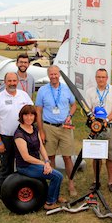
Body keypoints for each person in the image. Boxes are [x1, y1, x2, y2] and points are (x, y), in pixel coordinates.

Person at [35, 65, 78, 197]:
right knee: (50, 156)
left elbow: (74, 104)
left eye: (55, 74)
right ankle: (53, 184)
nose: (53, 76)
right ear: (48, 75)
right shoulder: (42, 90)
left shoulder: (66, 89)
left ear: (59, 74)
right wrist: (41, 130)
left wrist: (70, 116)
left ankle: (71, 183)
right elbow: (38, 110)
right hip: (49, 127)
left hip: (65, 128)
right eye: (51, 74)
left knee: (67, 157)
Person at [0, 72, 34, 196]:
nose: (12, 83)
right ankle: (4, 194)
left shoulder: (24, 96)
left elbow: (31, 114)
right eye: (9, 81)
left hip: (23, 137)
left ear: (18, 82)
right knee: (6, 167)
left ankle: (24, 191)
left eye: (14, 81)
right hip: (6, 138)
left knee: (25, 165)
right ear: (5, 82)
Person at [14, 105, 66, 210]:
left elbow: (41, 147)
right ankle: (49, 203)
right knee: (57, 176)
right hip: (25, 166)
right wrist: (43, 164)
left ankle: (55, 196)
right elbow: (26, 157)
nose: (29, 118)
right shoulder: (19, 134)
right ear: (22, 116)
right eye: (26, 115)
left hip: (36, 163)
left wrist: (47, 161)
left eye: (32, 115)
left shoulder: (34, 128)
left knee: (56, 174)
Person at [85, 69, 112, 192]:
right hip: (95, 128)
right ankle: (96, 181)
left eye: (103, 77)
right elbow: (88, 110)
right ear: (96, 78)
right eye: (99, 77)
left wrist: (105, 121)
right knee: (96, 155)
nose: (101, 79)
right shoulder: (90, 92)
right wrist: (95, 122)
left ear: (107, 78)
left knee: (110, 156)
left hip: (110, 126)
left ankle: (111, 181)